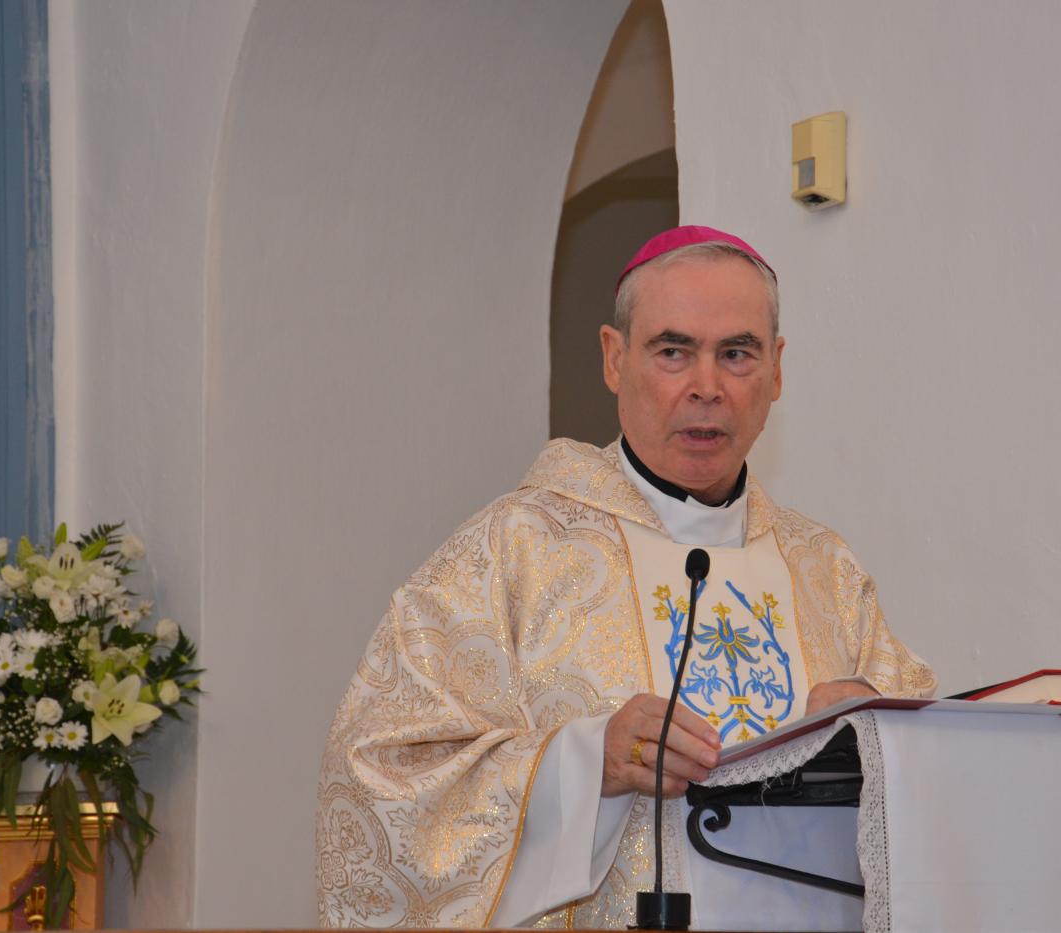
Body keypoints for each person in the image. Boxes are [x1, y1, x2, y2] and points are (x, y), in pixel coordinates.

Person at [316, 226, 936, 930]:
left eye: (737, 353)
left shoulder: (827, 572)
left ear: (778, 370)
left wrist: (880, 743)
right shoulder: (512, 549)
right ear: (615, 358)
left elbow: (940, 797)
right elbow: (380, 778)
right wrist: (586, 764)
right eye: (673, 351)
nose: (707, 387)